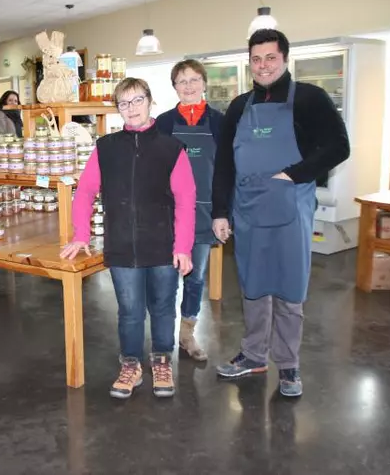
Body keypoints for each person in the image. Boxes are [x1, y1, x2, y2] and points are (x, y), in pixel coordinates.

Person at [211, 29, 350, 397]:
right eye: (256, 59)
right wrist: (220, 211)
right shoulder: (239, 106)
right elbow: (224, 162)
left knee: (289, 288)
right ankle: (254, 355)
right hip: (248, 209)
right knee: (253, 286)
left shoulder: (309, 98)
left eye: (270, 57)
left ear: (284, 58)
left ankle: (288, 365)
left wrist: (294, 173)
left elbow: (339, 146)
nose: (263, 65)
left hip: (290, 205)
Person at [61, 78, 196, 400]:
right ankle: (131, 364)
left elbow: (186, 200)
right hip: (121, 245)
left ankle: (162, 361)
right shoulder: (106, 147)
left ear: (150, 102)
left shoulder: (171, 148)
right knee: (130, 311)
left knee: (163, 307)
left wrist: (183, 248)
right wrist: (81, 233)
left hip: (163, 245)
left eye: (137, 100)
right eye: (124, 103)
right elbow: (84, 192)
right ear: (117, 108)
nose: (131, 108)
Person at [156, 59, 225, 362]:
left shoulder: (220, 122)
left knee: (195, 278)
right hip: (169, 214)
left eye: (194, 79)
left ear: (204, 83)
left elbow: (227, 171)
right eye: (182, 81)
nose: (189, 86)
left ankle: (187, 335)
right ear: (174, 87)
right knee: (166, 279)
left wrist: (225, 212)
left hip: (205, 214)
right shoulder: (163, 123)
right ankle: (161, 339)